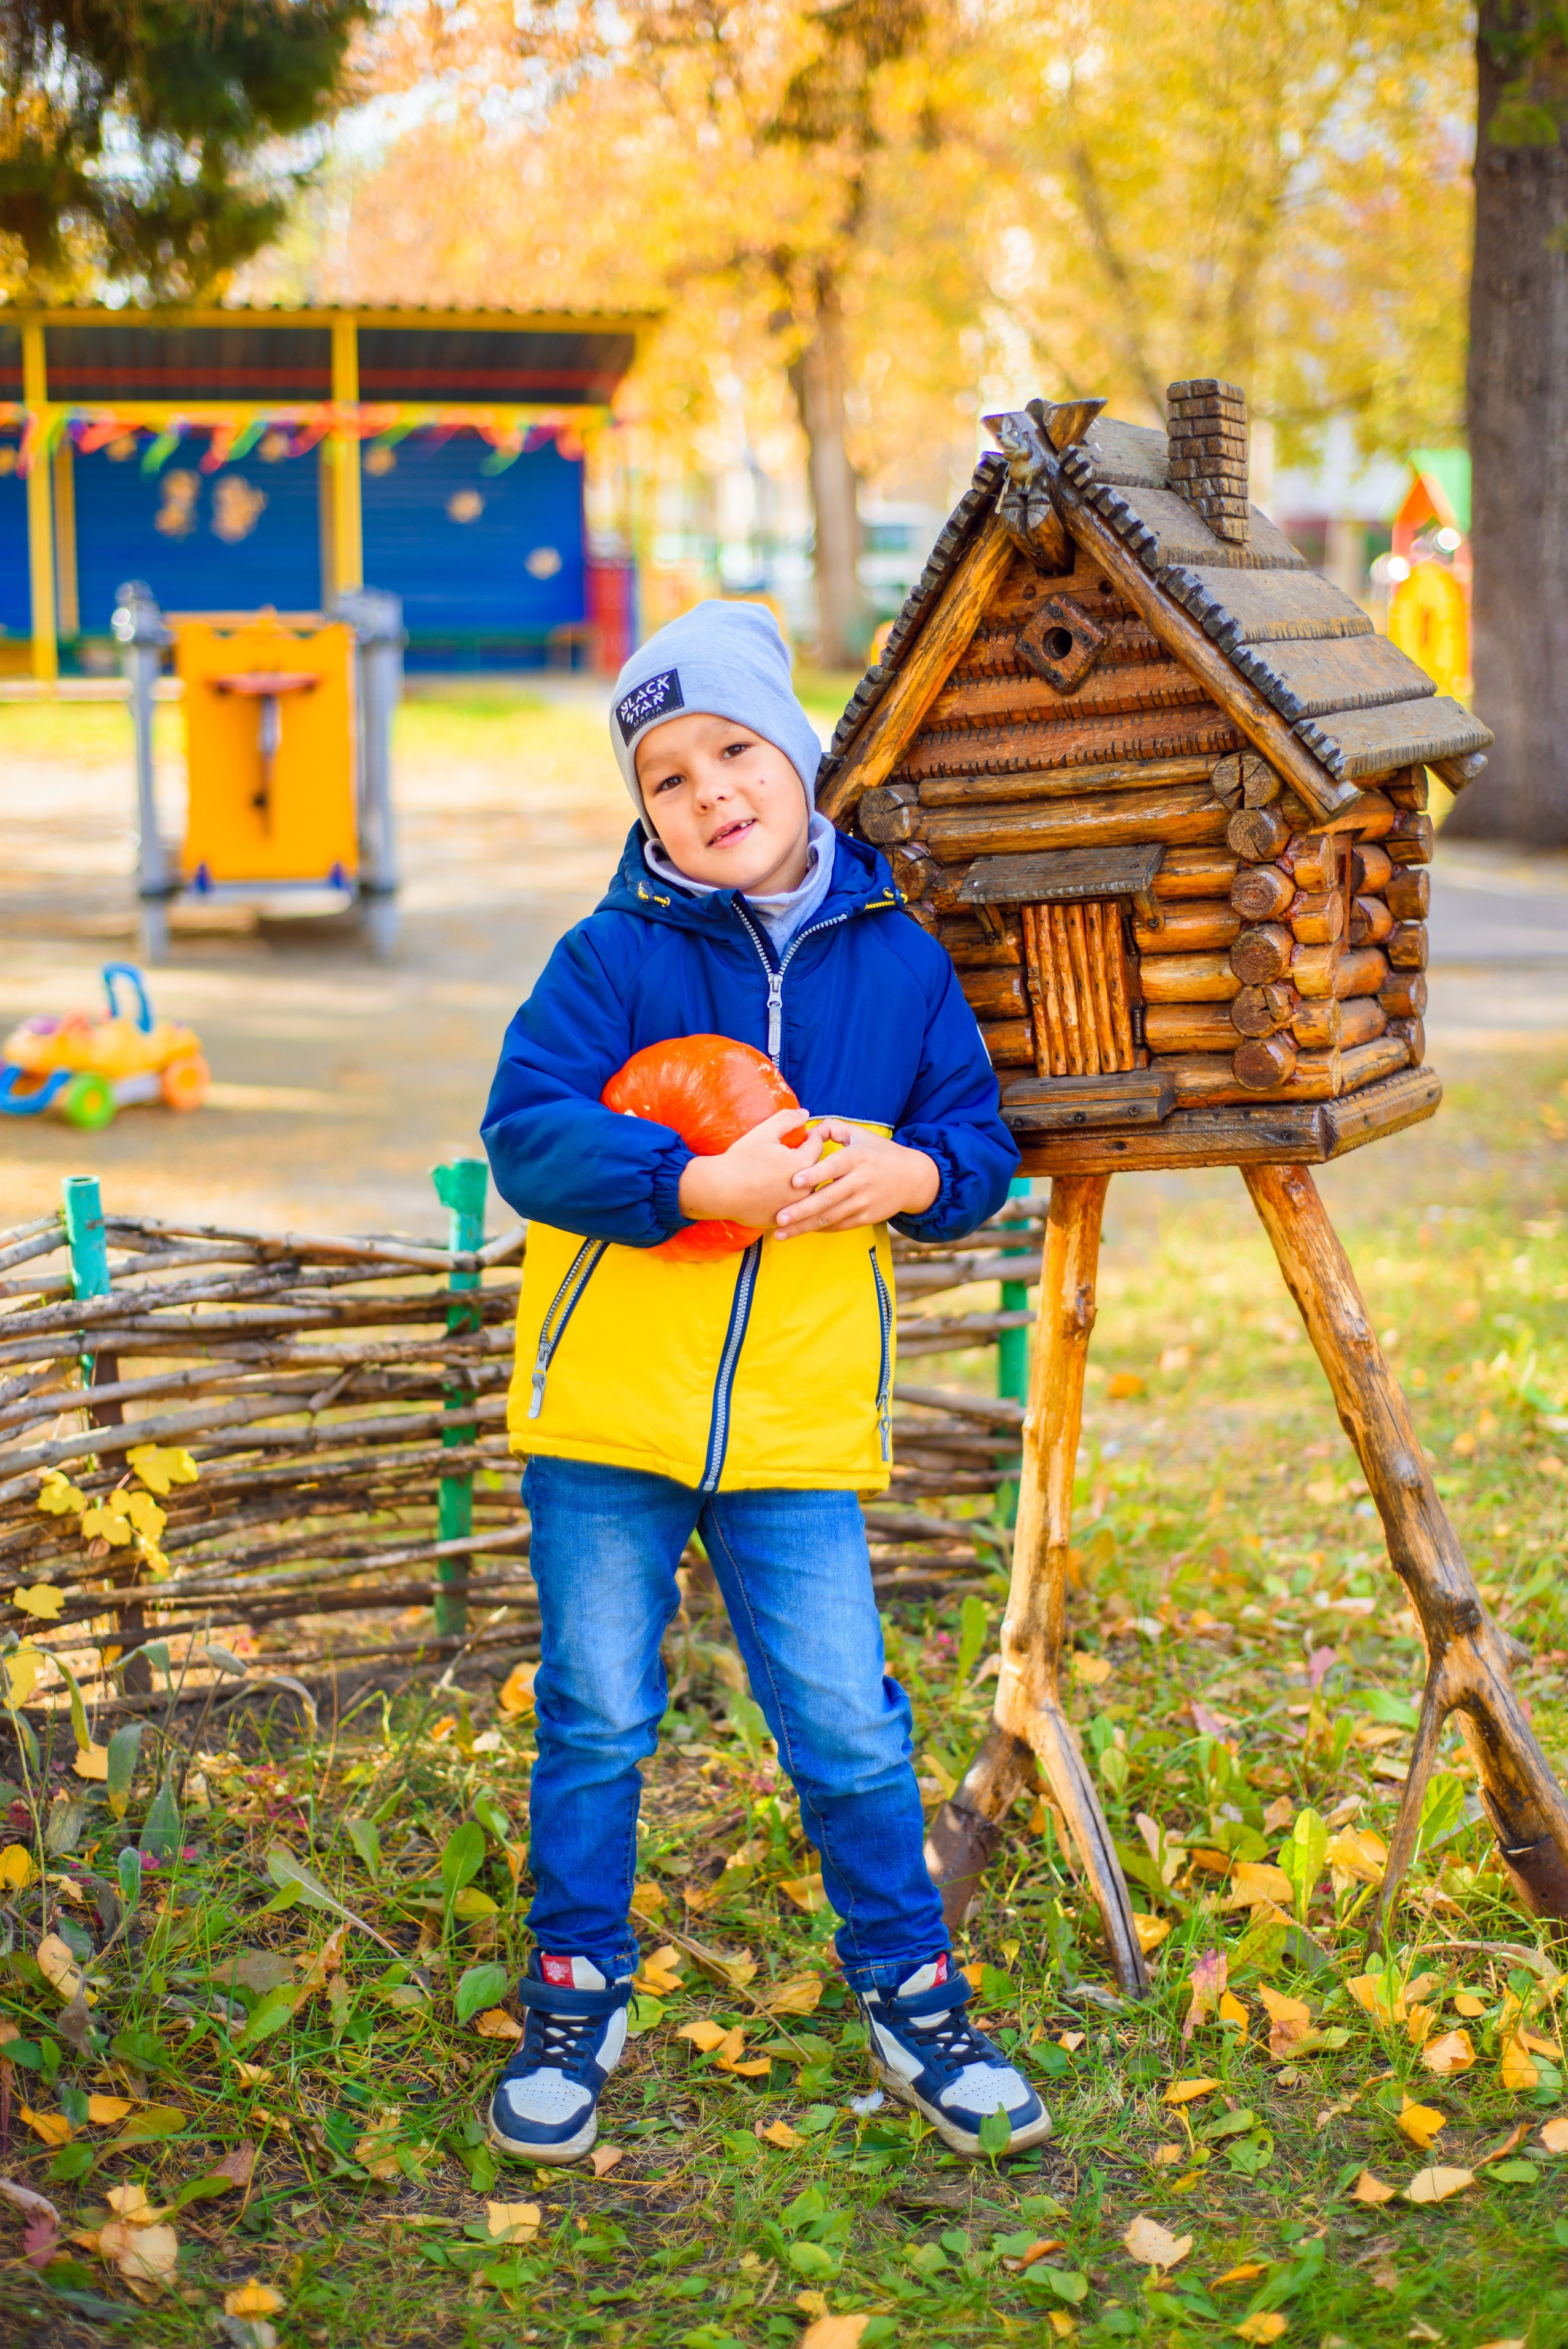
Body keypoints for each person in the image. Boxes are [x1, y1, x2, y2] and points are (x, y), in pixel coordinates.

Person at [480, 600, 1049, 2166]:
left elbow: (980, 1150)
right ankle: (575, 1983)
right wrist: (690, 1185)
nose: (707, 789)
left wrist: (912, 1173)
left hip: (794, 1422)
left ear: (796, 756)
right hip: (606, 1415)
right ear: (642, 810)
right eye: (665, 774)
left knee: (848, 1726)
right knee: (597, 1711)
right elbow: (526, 1134)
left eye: (732, 748)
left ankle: (910, 1989)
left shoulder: (901, 963)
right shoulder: (608, 956)